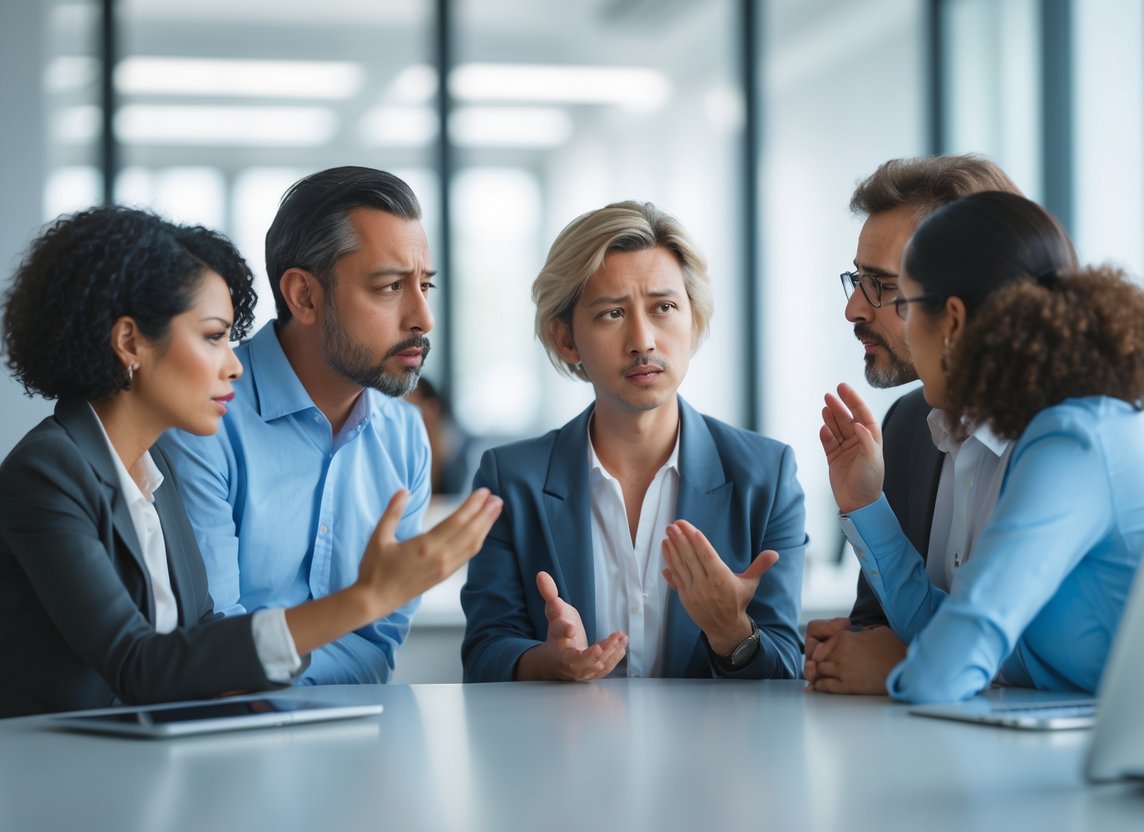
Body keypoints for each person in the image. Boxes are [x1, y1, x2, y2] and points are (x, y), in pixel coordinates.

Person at [0, 206, 501, 717]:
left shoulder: (155, 472)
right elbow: (139, 665)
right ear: (131, 343)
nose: (236, 363)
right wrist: (362, 600)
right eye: (214, 337)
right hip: (53, 772)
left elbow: (201, 640)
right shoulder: (48, 472)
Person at [815, 191, 1144, 703]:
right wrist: (868, 505)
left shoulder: (1078, 436)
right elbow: (959, 630)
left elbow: (944, 669)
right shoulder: (1062, 416)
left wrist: (904, 666)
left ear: (952, 321)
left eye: (905, 305)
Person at [461, 200, 807, 682]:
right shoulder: (510, 478)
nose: (642, 340)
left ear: (694, 320)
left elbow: (786, 670)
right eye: (610, 314)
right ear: (567, 340)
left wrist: (732, 632)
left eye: (664, 308)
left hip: (715, 755)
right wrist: (548, 662)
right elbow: (483, 654)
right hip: (565, 752)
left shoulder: (765, 476)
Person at [159, 166, 449, 684]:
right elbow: (214, 643)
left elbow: (377, 645)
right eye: (390, 287)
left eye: (425, 285)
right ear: (305, 297)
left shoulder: (406, 439)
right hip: (230, 740)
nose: (423, 318)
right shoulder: (205, 419)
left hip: (353, 735)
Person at [804, 155, 1022, 688]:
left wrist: (909, 662)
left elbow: (1049, 653)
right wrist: (849, 649)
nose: (854, 309)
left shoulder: (1057, 436)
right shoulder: (906, 426)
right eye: (857, 280)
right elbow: (879, 626)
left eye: (879, 284)